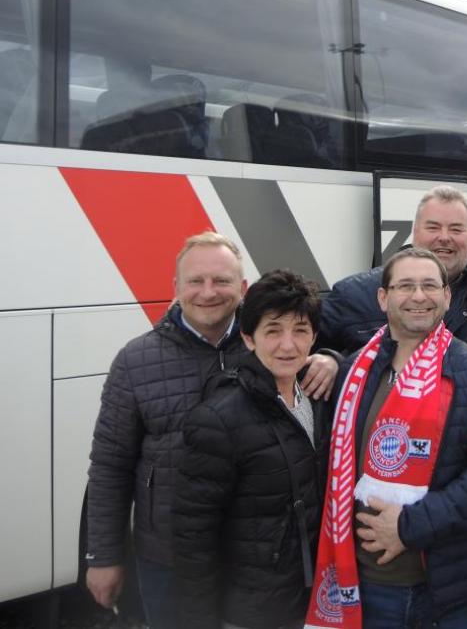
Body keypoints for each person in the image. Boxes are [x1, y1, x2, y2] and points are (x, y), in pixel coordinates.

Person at [84, 232, 336, 627]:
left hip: (258, 564)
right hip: (165, 556)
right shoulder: (136, 360)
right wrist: (103, 555)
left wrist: (332, 359)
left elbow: (315, 343)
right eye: (195, 281)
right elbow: (109, 465)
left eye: (221, 281)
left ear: (242, 287)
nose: (208, 292)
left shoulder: (268, 341)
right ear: (176, 288)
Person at [305, 247, 467, 628]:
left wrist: (409, 527)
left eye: (429, 286)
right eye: (406, 285)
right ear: (383, 298)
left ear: (447, 297)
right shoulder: (354, 372)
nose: (419, 296)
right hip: (366, 591)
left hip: (449, 596)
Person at [173, 269, 335, 629]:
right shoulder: (218, 418)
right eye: (273, 331)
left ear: (314, 337)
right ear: (248, 338)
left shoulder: (321, 399)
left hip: (313, 599)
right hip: (252, 610)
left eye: (300, 331)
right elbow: (193, 537)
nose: (288, 345)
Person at [320, 185, 467, 353]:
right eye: (433, 227)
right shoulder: (354, 294)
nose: (444, 237)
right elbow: (300, 351)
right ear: (415, 232)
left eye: (456, 229)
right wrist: (332, 358)